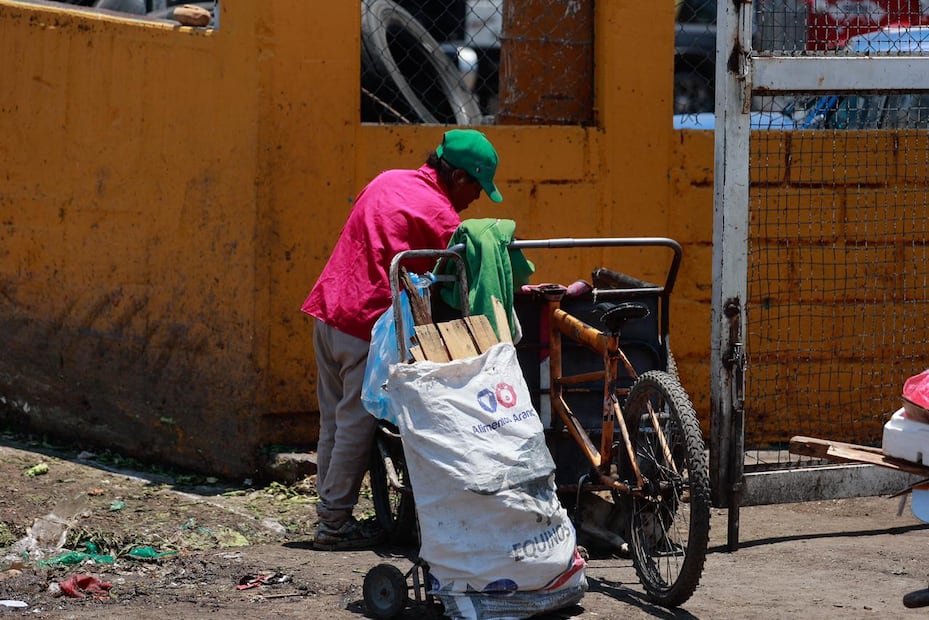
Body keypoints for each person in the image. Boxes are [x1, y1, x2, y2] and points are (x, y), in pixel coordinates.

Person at [300, 129, 504, 550]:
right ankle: (333, 525)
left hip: (330, 311)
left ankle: (329, 512)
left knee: (333, 420)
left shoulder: (387, 179)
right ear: (459, 177)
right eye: (477, 187)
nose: (477, 198)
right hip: (368, 325)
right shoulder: (442, 216)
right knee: (356, 423)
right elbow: (454, 284)